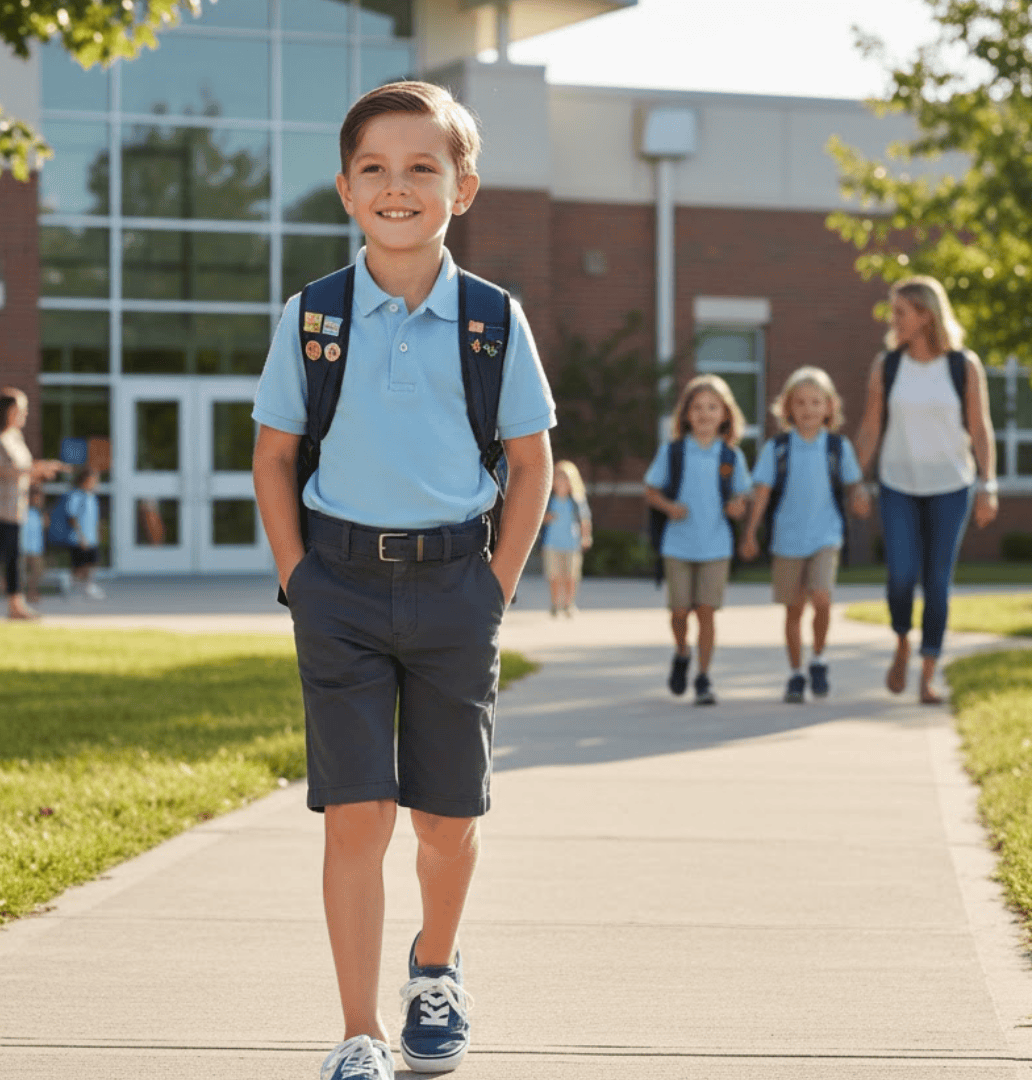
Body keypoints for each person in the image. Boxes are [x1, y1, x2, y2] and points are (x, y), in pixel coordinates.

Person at [249, 81, 555, 1080]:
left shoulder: (491, 322)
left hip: (454, 587)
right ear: (345, 188)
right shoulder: (314, 317)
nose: (397, 187)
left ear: (462, 188)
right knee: (356, 812)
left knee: (448, 819)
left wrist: (496, 586)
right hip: (337, 586)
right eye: (375, 168)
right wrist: (300, 579)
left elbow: (531, 463)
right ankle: (359, 1032)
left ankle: (435, 965)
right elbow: (273, 456)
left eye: (423, 167)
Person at [851, 276, 999, 703]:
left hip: (952, 486)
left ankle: (928, 673)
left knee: (937, 580)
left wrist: (988, 484)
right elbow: (869, 427)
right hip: (898, 484)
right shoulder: (887, 365)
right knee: (900, 576)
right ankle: (901, 645)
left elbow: (979, 428)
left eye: (900, 312)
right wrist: (856, 480)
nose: (892, 319)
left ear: (925, 315)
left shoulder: (962, 365)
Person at [739, 366, 870, 703]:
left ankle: (819, 659)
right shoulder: (777, 449)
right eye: (800, 403)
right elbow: (763, 492)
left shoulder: (838, 448)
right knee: (794, 610)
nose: (808, 409)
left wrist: (859, 497)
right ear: (788, 409)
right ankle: (796, 673)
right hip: (787, 538)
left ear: (829, 407)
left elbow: (853, 484)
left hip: (826, 534)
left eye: (815, 402)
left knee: (822, 597)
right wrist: (751, 533)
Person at [644, 375, 752, 706]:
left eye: (712, 407)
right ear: (686, 414)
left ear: (725, 415)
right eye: (697, 407)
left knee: (706, 612)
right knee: (679, 612)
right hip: (678, 545)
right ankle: (681, 652)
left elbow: (740, 500)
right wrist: (668, 506)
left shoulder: (731, 457)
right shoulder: (673, 452)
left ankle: (704, 677)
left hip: (716, 546)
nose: (704, 413)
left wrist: (737, 508)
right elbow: (651, 490)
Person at [0, 390, 64, 621]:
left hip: (15, 506)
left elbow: (20, 469)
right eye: (20, 410)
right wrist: (31, 469)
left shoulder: (14, 436)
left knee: (13, 556)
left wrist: (40, 471)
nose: (24, 414)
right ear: (7, 411)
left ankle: (15, 606)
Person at [540, 460, 592, 617]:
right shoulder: (548, 499)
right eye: (558, 478)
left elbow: (585, 520)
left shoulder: (577, 501)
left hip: (571, 544)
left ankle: (569, 604)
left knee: (571, 576)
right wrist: (547, 517)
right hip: (551, 544)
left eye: (565, 479)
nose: (561, 482)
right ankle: (555, 603)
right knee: (554, 576)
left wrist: (586, 537)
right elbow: (538, 519)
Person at [62, 467, 104, 600]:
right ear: (85, 480)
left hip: (92, 537)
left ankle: (88, 586)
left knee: (92, 562)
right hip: (78, 538)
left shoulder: (91, 497)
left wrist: (98, 533)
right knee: (80, 566)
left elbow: (94, 519)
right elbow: (72, 517)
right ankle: (69, 582)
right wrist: (81, 537)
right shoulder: (76, 496)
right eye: (94, 480)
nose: (96, 483)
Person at [19, 486, 49, 608]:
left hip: (36, 548)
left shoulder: (39, 513)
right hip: (23, 547)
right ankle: (18, 595)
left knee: (37, 571)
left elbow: (44, 527)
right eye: (37, 498)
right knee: (20, 572)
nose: (39, 500)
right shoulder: (21, 511)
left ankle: (32, 592)